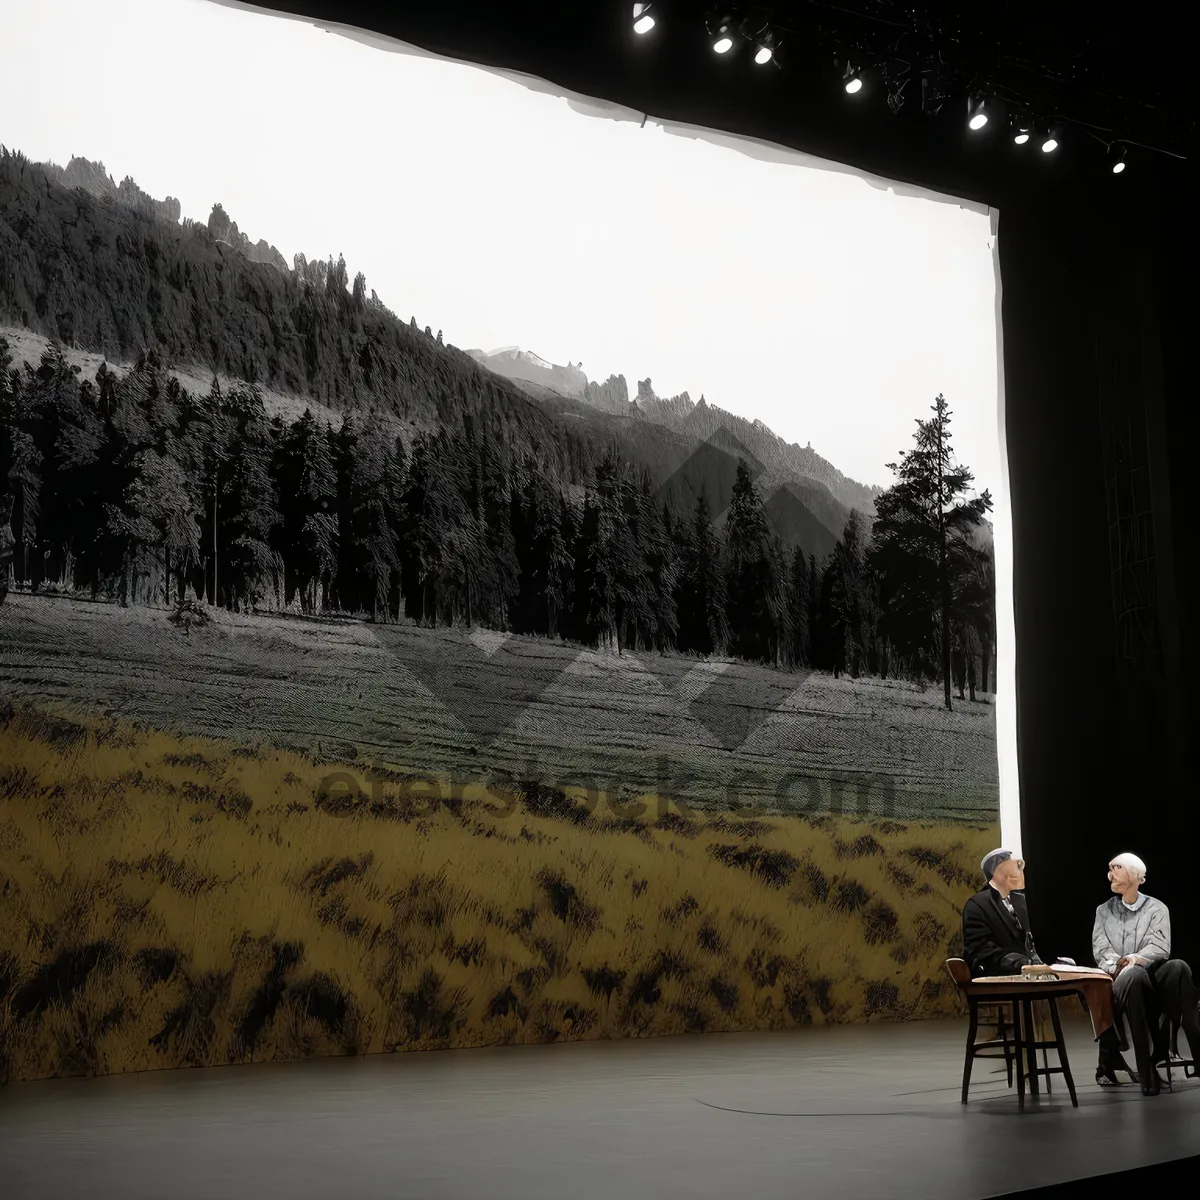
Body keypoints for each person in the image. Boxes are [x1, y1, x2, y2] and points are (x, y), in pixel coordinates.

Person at [1092, 851, 1200, 1096]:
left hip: (1150, 980)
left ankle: (1185, 1048)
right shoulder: (1104, 911)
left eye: (1117, 867)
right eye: (1110, 868)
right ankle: (1147, 1066)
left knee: (1179, 966)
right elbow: (1101, 948)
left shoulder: (1156, 908)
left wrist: (1135, 958)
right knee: (1133, 976)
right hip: (1119, 981)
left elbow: (1161, 947)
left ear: (1135, 875)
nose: (1110, 873)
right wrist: (1120, 965)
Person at [962, 848, 1044, 977]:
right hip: (1003, 976)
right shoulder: (977, 905)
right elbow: (981, 953)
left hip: (1038, 972)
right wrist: (1019, 963)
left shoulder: (1024, 902)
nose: (1020, 873)